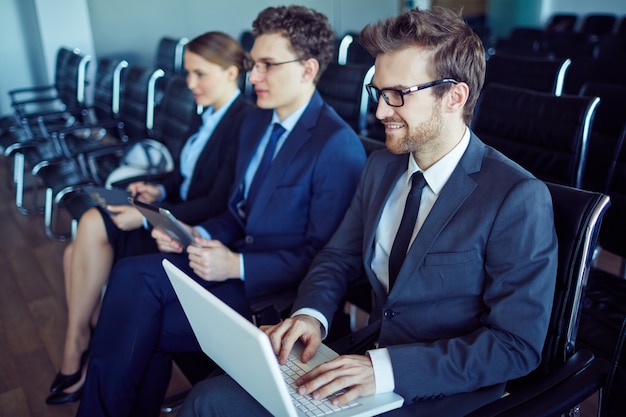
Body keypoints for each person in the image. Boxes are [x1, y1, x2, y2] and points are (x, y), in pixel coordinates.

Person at [178, 7, 559, 417]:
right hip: (363, 360)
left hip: (440, 391)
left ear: (455, 96)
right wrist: (310, 316)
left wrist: (385, 370)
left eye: (398, 95)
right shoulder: (381, 166)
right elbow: (337, 257)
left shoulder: (517, 197)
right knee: (208, 399)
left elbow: (515, 346)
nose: (380, 112)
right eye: (378, 92)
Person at [76, 6, 367, 417]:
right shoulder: (255, 124)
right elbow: (236, 212)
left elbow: (324, 258)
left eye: (267, 65)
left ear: (307, 70)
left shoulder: (336, 146)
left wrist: (238, 265)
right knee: (130, 274)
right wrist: (199, 232)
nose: (252, 77)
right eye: (252, 64)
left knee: (146, 314)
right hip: (230, 265)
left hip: (274, 294)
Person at [45, 31, 254, 405]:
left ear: (231, 72)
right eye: (188, 73)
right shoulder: (205, 112)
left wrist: (148, 216)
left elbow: (218, 200)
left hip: (189, 229)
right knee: (74, 249)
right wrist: (157, 190)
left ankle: (77, 351)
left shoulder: (243, 122)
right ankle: (88, 342)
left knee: (91, 227)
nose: (190, 84)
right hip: (171, 210)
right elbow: (185, 177)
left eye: (200, 74)